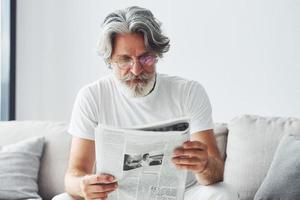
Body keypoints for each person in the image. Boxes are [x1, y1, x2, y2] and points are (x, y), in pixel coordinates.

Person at [54, 6, 238, 200]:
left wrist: (205, 165)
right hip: (116, 195)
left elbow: (215, 173)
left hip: (182, 195)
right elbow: (74, 174)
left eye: (145, 58)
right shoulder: (92, 96)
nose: (136, 70)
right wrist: (82, 186)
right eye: (124, 60)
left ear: (157, 54)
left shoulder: (189, 92)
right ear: (110, 60)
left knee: (223, 194)